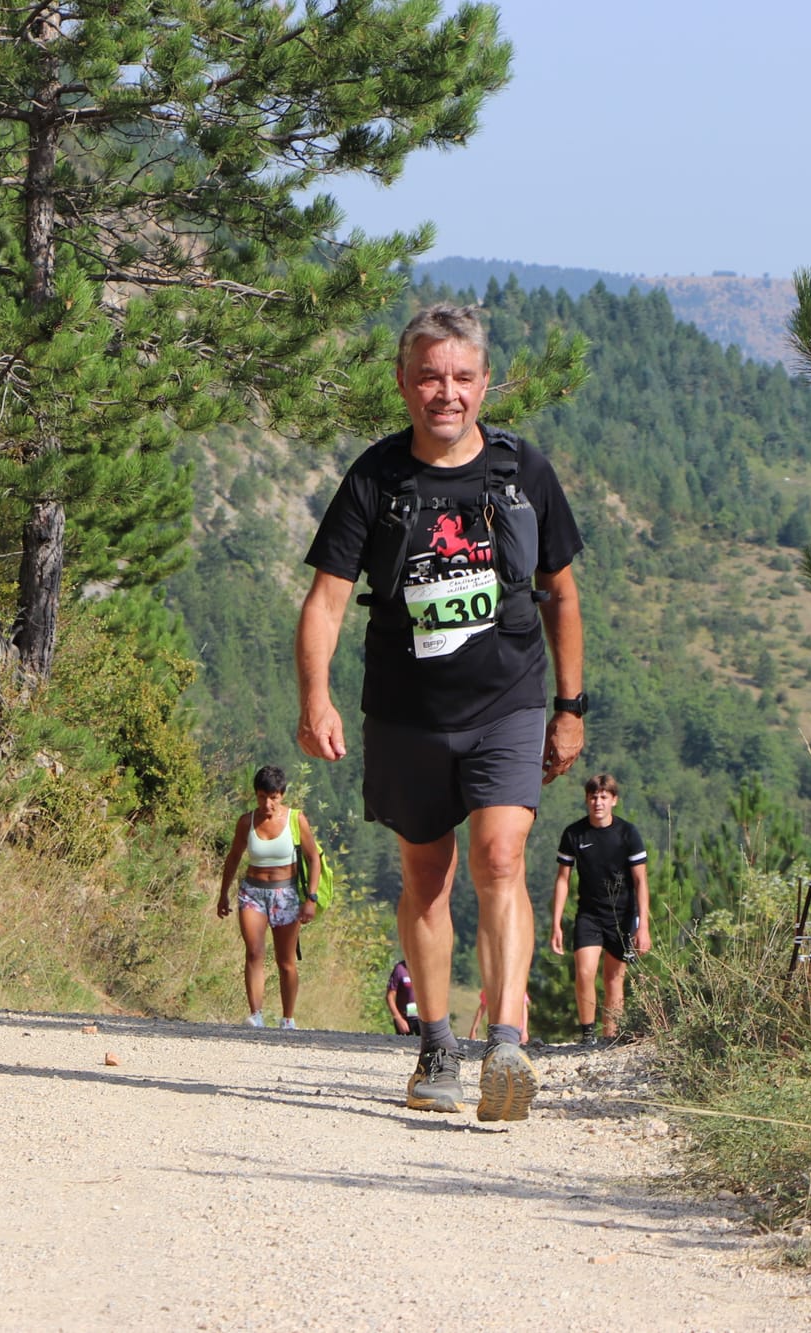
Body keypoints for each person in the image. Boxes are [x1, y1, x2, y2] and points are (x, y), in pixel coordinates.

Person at [297, 303, 585, 1121]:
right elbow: (325, 601)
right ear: (402, 383)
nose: (446, 392)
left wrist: (571, 706)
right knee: (427, 875)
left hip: (508, 701)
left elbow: (562, 595)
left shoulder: (524, 473)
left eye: (461, 376)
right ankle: (435, 1044)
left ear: (486, 383)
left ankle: (507, 1041)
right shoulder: (376, 478)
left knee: (500, 856)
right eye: (429, 376)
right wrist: (315, 697)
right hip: (407, 711)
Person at [549, 773, 651, 1045]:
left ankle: (610, 1038)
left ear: (614, 800)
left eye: (604, 797)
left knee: (613, 978)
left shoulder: (628, 833)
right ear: (587, 799)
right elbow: (563, 880)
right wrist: (556, 923)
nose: (598, 802)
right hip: (589, 914)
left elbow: (641, 881)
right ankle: (587, 1035)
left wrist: (643, 926)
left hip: (622, 915)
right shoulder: (574, 833)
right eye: (593, 797)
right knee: (584, 973)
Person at [216, 765, 320, 1029]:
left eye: (273, 798)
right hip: (252, 893)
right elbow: (234, 858)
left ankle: (288, 1018)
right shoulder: (246, 822)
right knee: (254, 952)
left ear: (282, 795)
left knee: (286, 961)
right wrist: (223, 894)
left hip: (286, 894)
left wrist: (311, 899)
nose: (267, 804)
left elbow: (313, 858)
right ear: (256, 795)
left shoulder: (296, 820)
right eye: (262, 797)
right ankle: (256, 1014)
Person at [385, 958, 420, 1036]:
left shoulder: (426, 967)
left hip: (423, 1020)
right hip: (405, 1019)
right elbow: (390, 996)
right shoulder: (400, 969)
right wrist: (398, 1018)